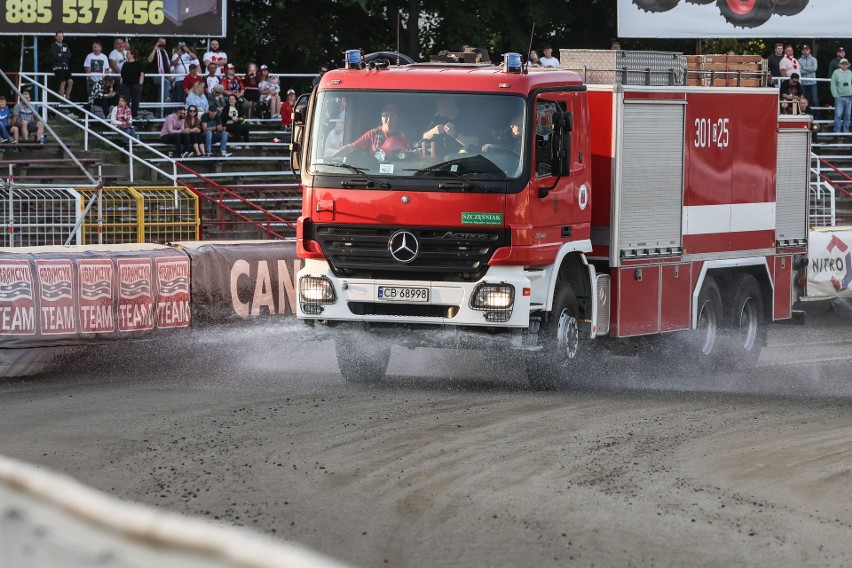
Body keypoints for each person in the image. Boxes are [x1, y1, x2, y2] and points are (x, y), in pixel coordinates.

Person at [330, 103, 410, 159]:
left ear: (397, 118)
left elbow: (408, 158)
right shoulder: (373, 133)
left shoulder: (402, 137)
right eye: (385, 116)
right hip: (374, 174)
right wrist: (332, 157)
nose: (389, 119)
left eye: (392, 116)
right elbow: (352, 147)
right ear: (381, 118)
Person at [147, 38, 171, 117]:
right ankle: (166, 99)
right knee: (166, 83)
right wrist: (155, 48)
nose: (162, 44)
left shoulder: (165, 52)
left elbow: (168, 65)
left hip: (165, 75)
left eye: (164, 43)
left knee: (160, 95)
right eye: (161, 42)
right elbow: (149, 60)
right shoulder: (155, 51)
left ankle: (159, 115)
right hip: (157, 75)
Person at [119, 49, 144, 117]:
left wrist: (140, 84)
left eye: (128, 53)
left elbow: (142, 74)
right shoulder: (125, 64)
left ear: (132, 55)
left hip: (135, 85)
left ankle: (134, 119)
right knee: (125, 101)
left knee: (135, 102)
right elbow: (122, 75)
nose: (127, 54)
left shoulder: (138, 64)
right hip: (125, 85)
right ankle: (126, 117)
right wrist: (120, 84)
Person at [831, 58, 852, 133]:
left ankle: (846, 132)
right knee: (838, 115)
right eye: (842, 63)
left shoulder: (850, 72)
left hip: (849, 97)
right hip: (839, 97)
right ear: (840, 65)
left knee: (848, 115)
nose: (844, 65)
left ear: (848, 65)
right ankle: (837, 132)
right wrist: (836, 95)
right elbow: (833, 84)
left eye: (846, 64)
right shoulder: (835, 72)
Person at [50, 31, 73, 99]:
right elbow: (55, 56)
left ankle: (67, 97)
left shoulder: (65, 45)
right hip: (57, 67)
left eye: (61, 36)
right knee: (63, 81)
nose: (60, 38)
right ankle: (62, 98)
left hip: (65, 66)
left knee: (70, 81)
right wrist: (63, 56)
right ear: (56, 37)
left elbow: (69, 55)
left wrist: (61, 55)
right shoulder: (53, 46)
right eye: (58, 36)